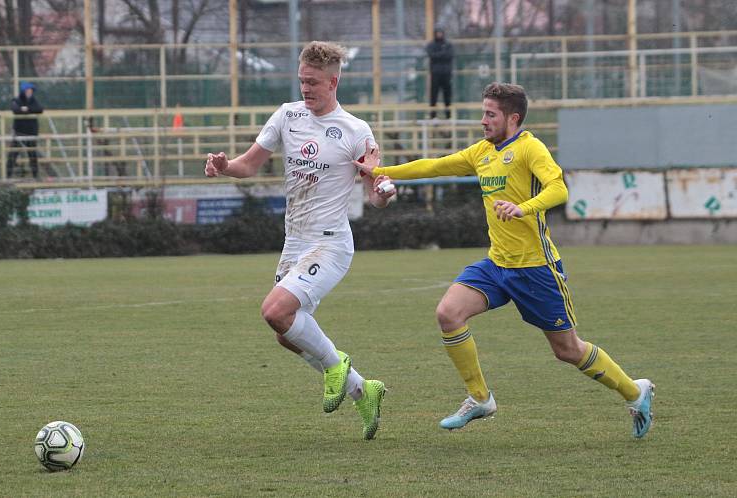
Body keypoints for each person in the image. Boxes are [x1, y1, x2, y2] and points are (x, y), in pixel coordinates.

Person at [355, 82, 655, 439]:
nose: (483, 120)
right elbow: (435, 166)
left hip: (536, 269)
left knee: (568, 350)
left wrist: (522, 208)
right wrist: (379, 171)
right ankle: (480, 398)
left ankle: (636, 392)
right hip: (497, 266)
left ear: (512, 118)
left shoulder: (529, 148)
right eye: (483, 112)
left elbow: (558, 188)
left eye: (490, 114)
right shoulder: (482, 152)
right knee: (448, 313)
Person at [205, 41, 397, 440]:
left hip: (330, 243)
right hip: (294, 242)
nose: (305, 89)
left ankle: (333, 365)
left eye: (313, 83)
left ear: (334, 81)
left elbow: (374, 195)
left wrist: (383, 192)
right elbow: (249, 164)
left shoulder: (356, 131)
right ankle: (363, 389)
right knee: (285, 332)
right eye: (301, 81)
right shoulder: (287, 115)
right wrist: (225, 168)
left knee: (275, 311)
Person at [6, 82, 43, 179]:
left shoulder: (34, 100)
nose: (30, 92)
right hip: (19, 133)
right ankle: (7, 176)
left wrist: (27, 109)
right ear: (23, 91)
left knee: (32, 155)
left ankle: (35, 176)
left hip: (31, 133)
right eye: (28, 90)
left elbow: (39, 109)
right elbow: (15, 109)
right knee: (12, 155)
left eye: (31, 90)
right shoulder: (17, 100)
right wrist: (25, 110)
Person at [426, 27, 454, 119]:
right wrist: (442, 54)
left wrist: (439, 55)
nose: (439, 34)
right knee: (433, 95)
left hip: (446, 74)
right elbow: (431, 55)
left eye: (440, 33)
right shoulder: (431, 45)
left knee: (447, 96)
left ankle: (448, 116)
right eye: (437, 33)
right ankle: (433, 116)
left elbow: (450, 55)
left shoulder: (448, 44)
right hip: (435, 74)